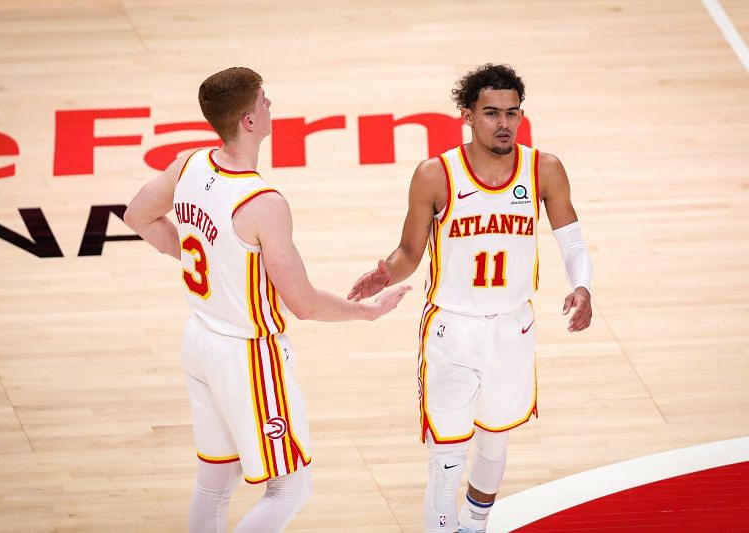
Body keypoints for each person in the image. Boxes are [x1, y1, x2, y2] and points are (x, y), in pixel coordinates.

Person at [124, 66, 410, 533]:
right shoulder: (263, 203)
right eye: (264, 100)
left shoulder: (189, 164)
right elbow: (303, 303)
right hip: (247, 354)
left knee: (214, 481)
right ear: (249, 121)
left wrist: (194, 253)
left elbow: (138, 214)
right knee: (292, 487)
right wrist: (366, 312)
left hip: (198, 339)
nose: (270, 105)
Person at [347, 63, 592, 533]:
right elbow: (409, 252)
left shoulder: (544, 169)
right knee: (446, 457)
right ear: (467, 115)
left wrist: (582, 286)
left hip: (513, 328)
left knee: (495, 445)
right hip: (451, 329)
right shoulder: (435, 174)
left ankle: (474, 525)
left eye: (512, 113)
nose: (503, 123)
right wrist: (384, 273)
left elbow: (573, 243)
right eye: (491, 113)